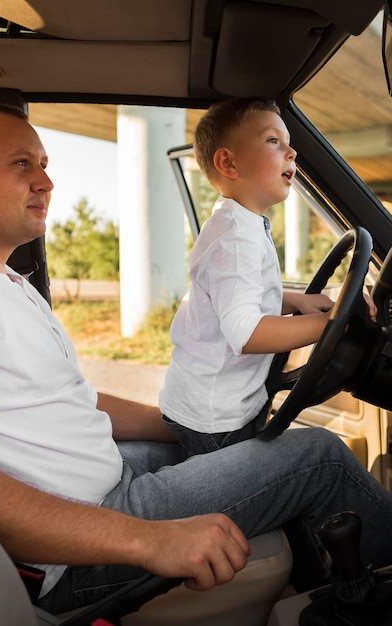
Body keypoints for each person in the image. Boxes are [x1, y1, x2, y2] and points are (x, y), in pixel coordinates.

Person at [0, 101, 392, 615]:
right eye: (22, 165)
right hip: (75, 548)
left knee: (238, 443)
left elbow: (72, 401)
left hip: (103, 482)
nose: (46, 181)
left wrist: (177, 424)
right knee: (316, 455)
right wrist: (150, 540)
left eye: (43, 163)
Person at [160, 98, 375, 456]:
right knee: (325, 455)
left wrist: (298, 301)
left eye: (288, 141)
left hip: (207, 406)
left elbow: (235, 294)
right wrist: (330, 323)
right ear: (228, 163)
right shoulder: (235, 239)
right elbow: (246, 333)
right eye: (273, 140)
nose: (292, 152)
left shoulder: (237, 222)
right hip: (217, 421)